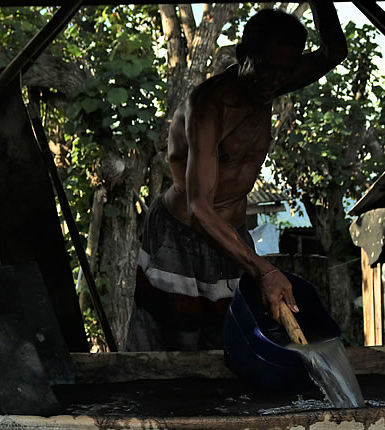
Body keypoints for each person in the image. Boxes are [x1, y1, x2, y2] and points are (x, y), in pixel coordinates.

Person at [125, 0, 347, 351]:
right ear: (242, 55)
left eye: (285, 72)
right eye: (266, 68)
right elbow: (200, 208)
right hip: (181, 237)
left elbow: (334, 51)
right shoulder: (208, 106)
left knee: (230, 345)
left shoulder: (271, 83)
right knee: (170, 353)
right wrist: (265, 270)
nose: (275, 80)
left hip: (232, 237)